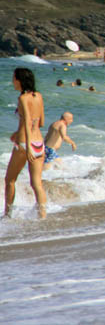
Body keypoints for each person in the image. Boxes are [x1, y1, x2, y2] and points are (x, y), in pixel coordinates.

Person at [5, 68, 46, 219]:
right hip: (39, 143)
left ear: (19, 80)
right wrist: (18, 132)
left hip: (25, 144)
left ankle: (7, 215)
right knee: (37, 184)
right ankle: (42, 215)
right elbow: (40, 122)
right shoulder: (39, 96)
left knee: (10, 180)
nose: (12, 81)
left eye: (14, 78)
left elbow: (27, 121)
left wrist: (27, 145)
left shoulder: (23, 98)